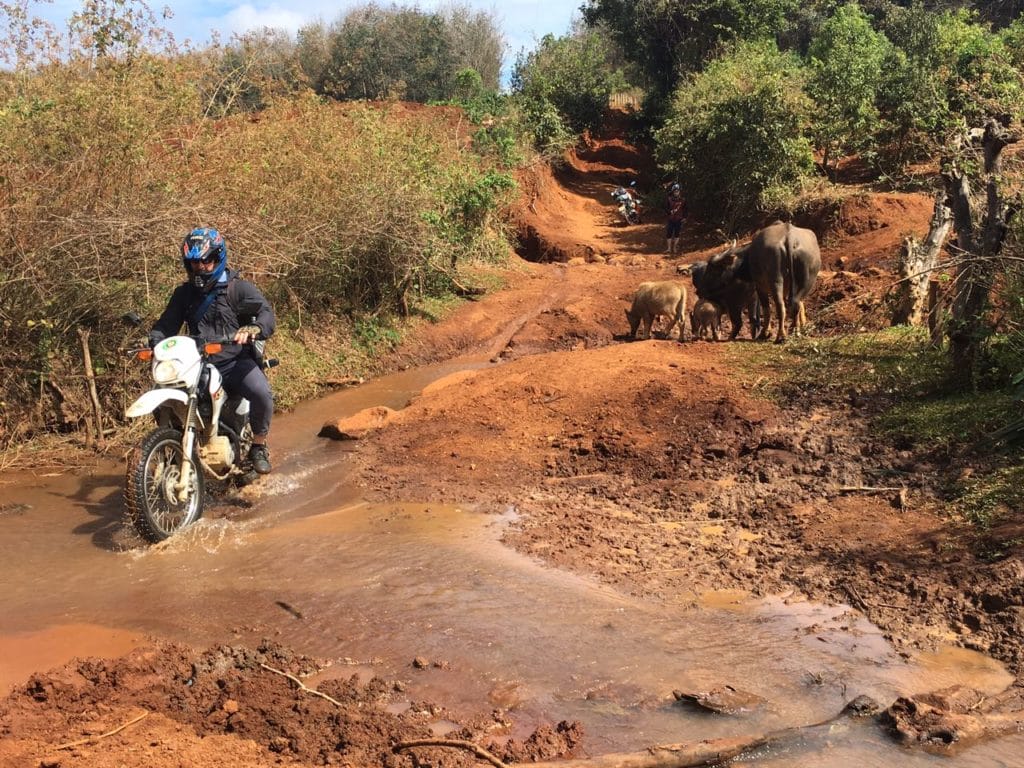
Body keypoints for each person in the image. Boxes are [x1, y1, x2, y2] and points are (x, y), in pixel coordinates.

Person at [149, 228, 277, 474]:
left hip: (235, 362)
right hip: (198, 365)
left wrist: (254, 328)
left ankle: (258, 446)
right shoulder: (183, 294)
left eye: (205, 261)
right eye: (194, 263)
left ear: (218, 258)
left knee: (261, 393)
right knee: (163, 396)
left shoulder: (237, 289)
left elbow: (266, 314)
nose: (200, 267)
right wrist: (155, 339)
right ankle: (178, 447)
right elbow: (166, 324)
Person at [665, 182, 687, 256]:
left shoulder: (683, 200)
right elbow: (665, 209)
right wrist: (669, 212)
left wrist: (684, 217)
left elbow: (685, 210)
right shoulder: (669, 199)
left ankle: (674, 247)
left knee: (677, 234)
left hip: (679, 219)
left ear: (679, 191)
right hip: (671, 219)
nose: (676, 192)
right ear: (673, 191)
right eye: (675, 191)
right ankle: (668, 248)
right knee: (669, 233)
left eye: (677, 191)